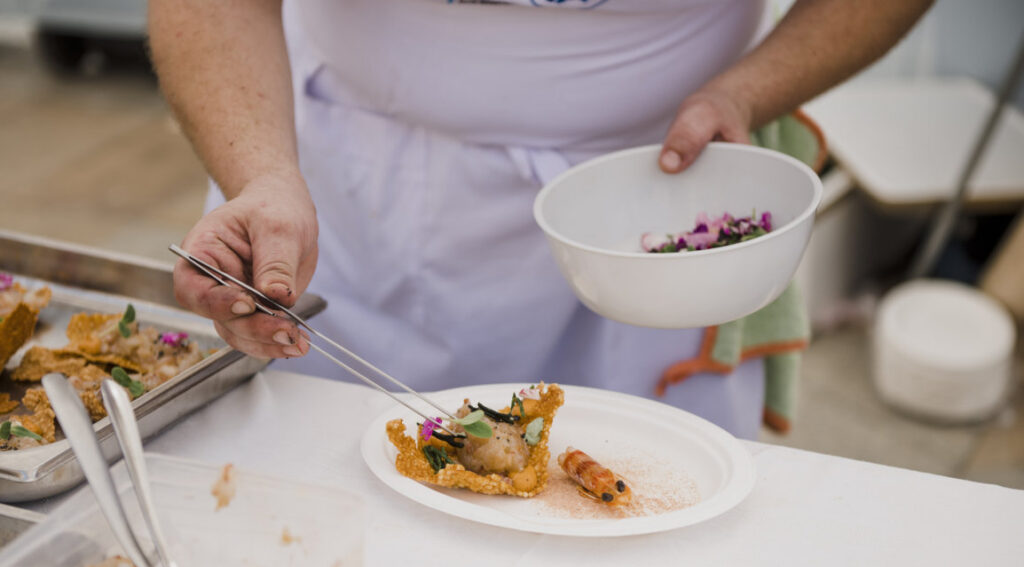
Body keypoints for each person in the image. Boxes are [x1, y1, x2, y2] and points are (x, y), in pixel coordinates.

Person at [149, 0, 932, 440]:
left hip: (654, 192)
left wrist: (751, 90)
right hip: (342, 196)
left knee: (638, 517)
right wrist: (261, 174)